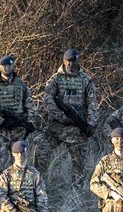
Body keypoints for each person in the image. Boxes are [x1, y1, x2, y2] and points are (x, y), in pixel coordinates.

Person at [39, 48, 98, 179]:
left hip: (77, 130)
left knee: (79, 165)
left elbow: (92, 104)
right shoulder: (55, 79)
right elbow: (47, 100)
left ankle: (76, 194)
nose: (71, 65)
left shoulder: (86, 80)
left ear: (78, 61)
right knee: (41, 150)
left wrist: (90, 124)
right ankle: (38, 185)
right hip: (56, 127)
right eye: (68, 62)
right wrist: (62, 117)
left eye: (73, 62)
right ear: (64, 61)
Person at [0, 54, 36, 172]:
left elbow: (30, 105)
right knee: (0, 159)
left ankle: (18, 186)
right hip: (1, 129)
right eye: (4, 66)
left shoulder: (21, 85)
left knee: (19, 159)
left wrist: (30, 122)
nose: (6, 68)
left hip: (18, 129)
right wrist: (0, 119)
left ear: (13, 66)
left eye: (9, 65)